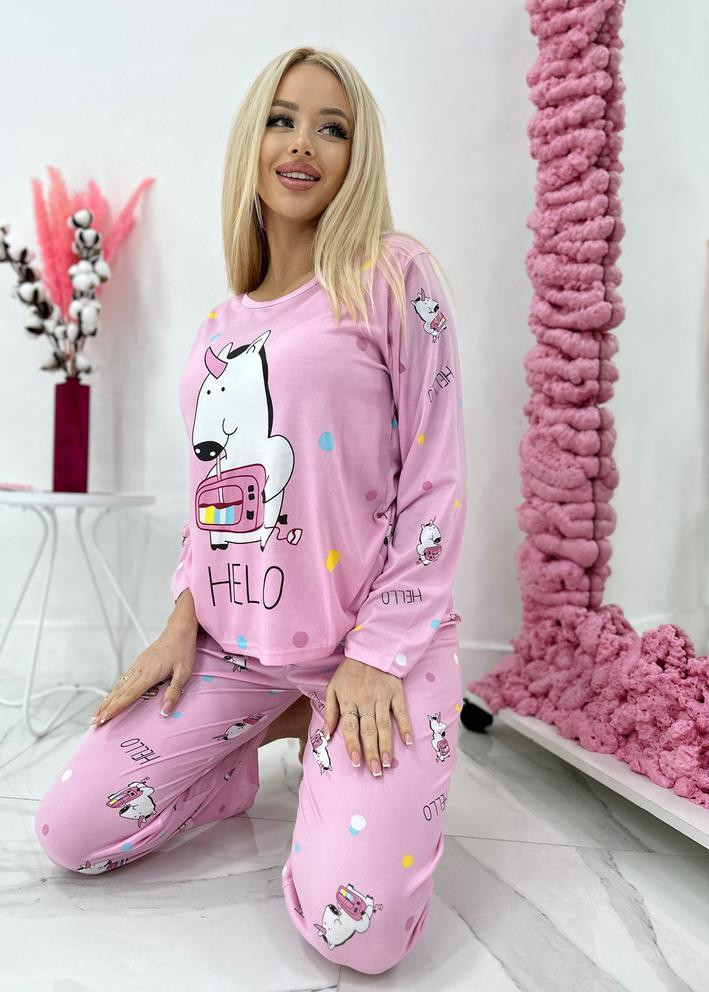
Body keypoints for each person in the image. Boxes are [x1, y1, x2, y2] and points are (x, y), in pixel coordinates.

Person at [34, 46, 468, 976]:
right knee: (69, 832)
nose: (302, 143)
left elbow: (436, 477)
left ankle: (331, 754)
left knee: (358, 937)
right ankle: (262, 738)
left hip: (373, 648)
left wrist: (379, 655)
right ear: (252, 143)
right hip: (238, 646)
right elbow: (210, 508)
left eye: (331, 127)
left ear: (357, 154)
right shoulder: (219, 329)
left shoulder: (394, 275)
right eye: (282, 119)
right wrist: (179, 622)